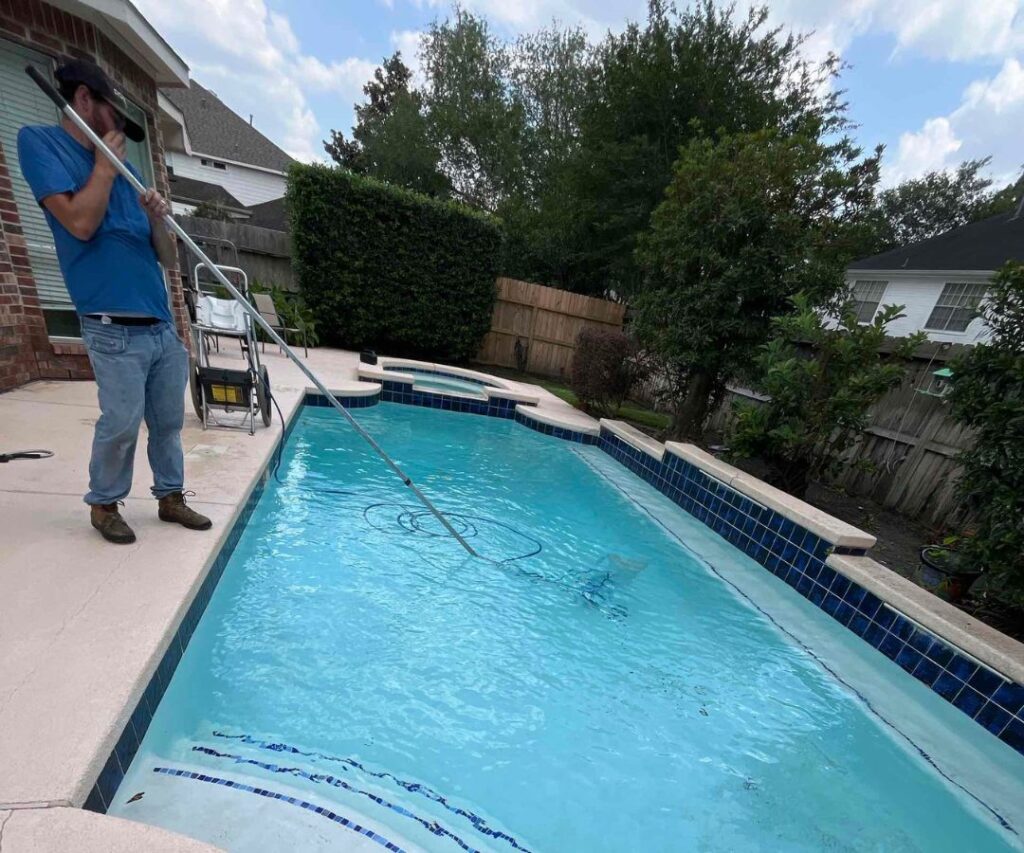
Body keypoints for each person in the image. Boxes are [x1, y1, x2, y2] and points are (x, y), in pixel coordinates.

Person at [17, 58, 211, 544]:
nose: (120, 129)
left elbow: (165, 259)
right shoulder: (41, 144)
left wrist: (156, 220)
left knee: (167, 422)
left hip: (160, 323)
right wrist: (104, 167)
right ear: (84, 100)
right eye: (113, 113)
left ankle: (170, 497)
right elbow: (79, 224)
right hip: (111, 323)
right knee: (122, 423)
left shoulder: (126, 171)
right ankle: (104, 504)